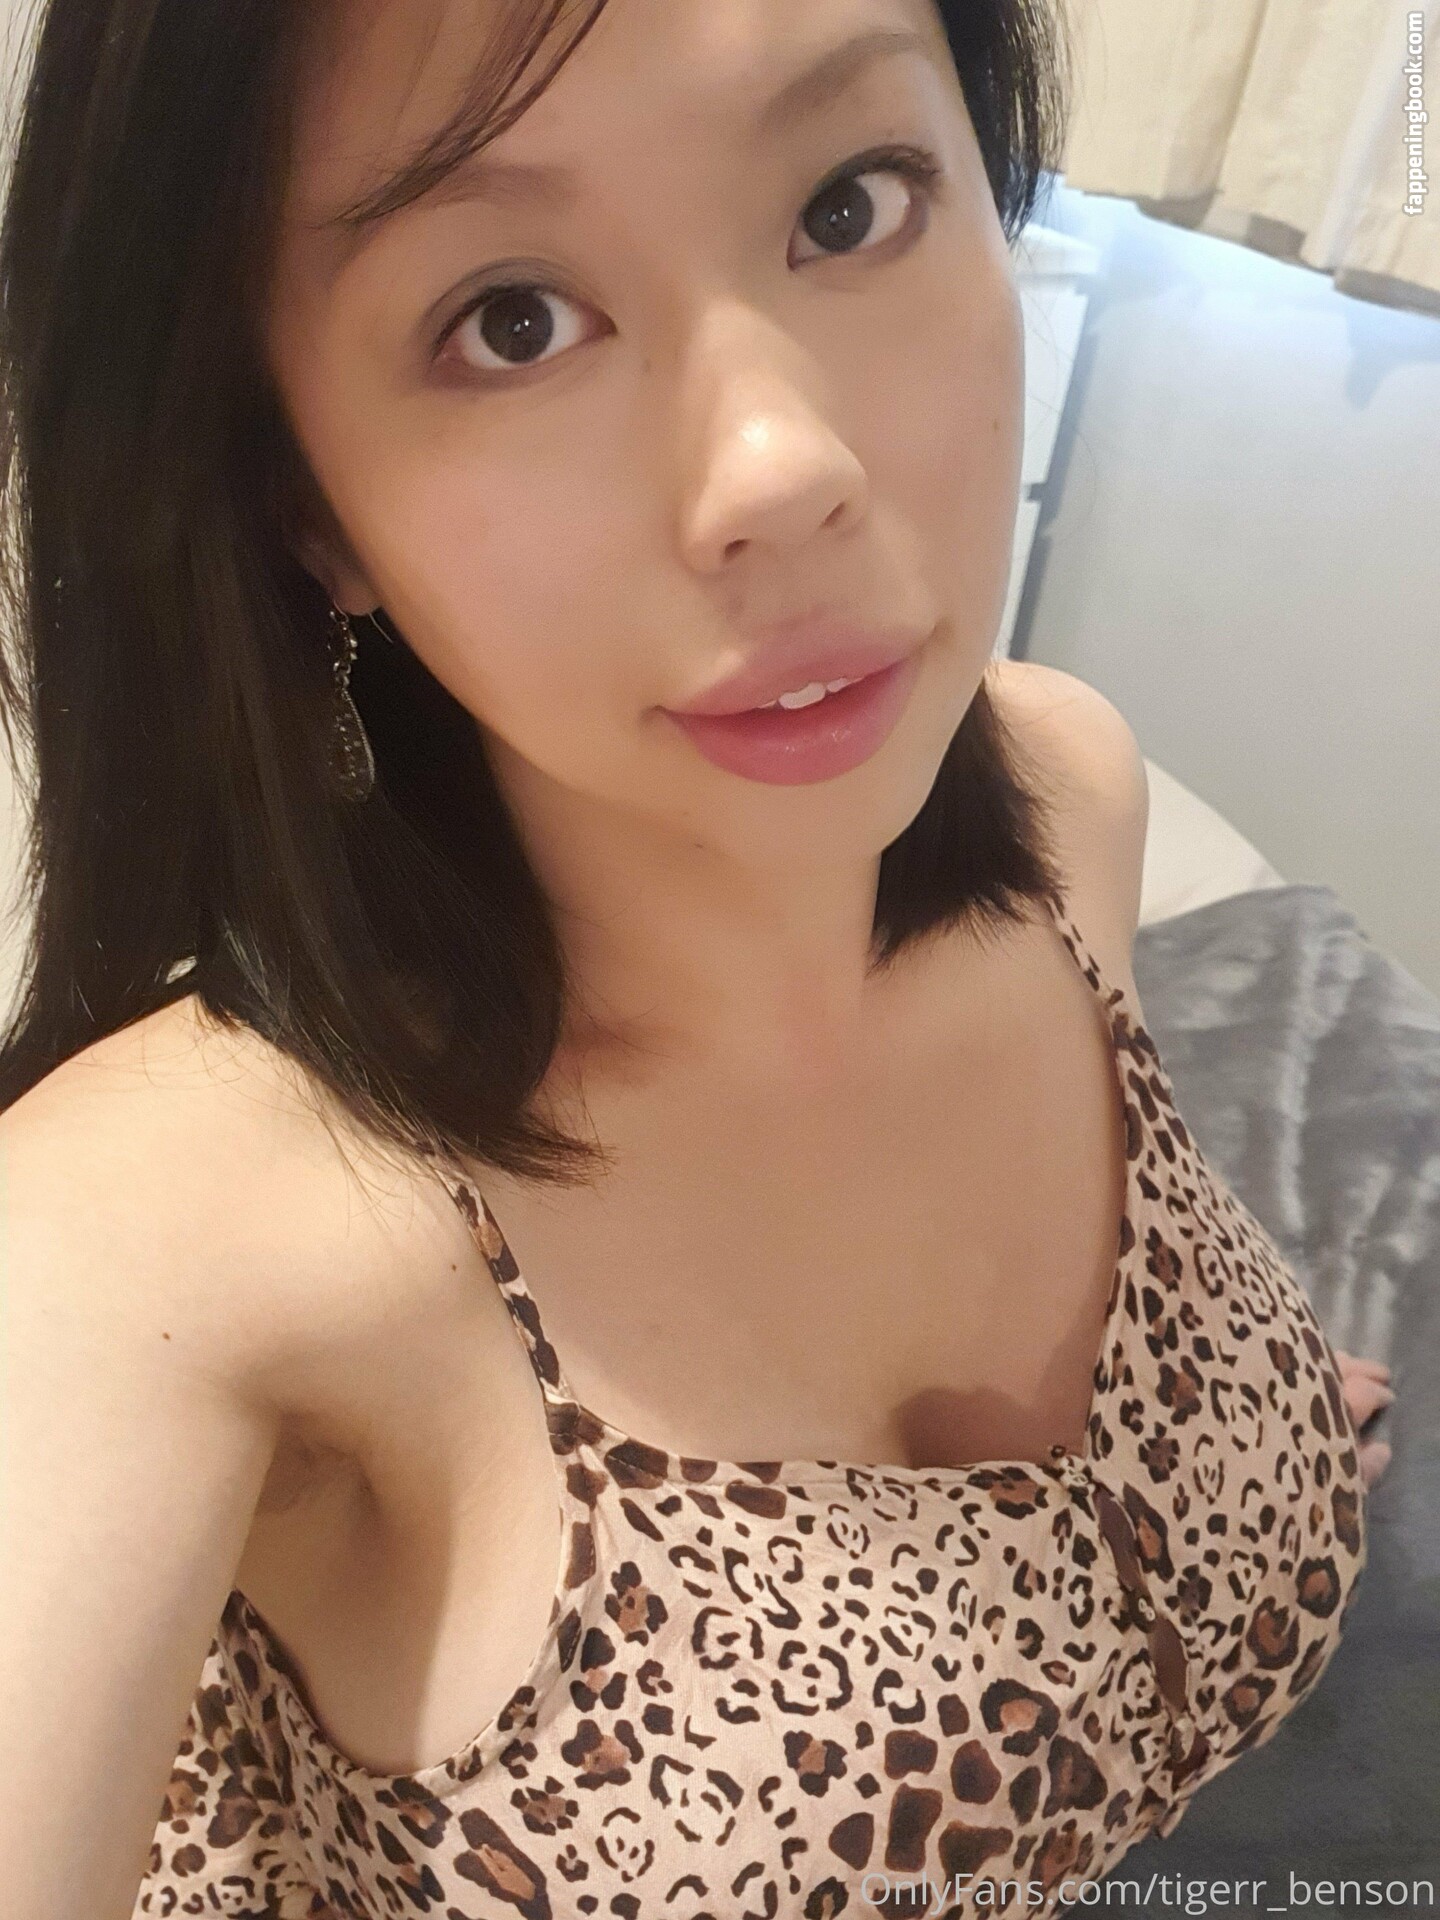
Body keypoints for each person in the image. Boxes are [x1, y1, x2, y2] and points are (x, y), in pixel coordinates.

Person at [0, 0, 1393, 1915]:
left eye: (851, 200)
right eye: (511, 319)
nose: (780, 468)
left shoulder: (1069, 793)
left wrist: (1240, 1407)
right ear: (301, 505)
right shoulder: (156, 1246)